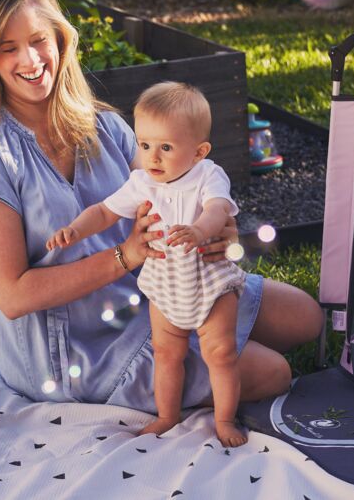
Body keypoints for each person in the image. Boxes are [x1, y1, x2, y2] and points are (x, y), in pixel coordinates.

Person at [0, 0, 323, 439]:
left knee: (305, 316)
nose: (30, 59)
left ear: (60, 39)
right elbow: (13, 296)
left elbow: (168, 191)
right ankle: (191, 355)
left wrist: (214, 229)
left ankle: (203, 338)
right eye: (8, 48)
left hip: (150, 294)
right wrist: (125, 256)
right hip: (67, 348)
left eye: (38, 40)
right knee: (273, 372)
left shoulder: (100, 126)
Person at [46, 81, 249, 445]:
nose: (152, 157)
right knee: (166, 352)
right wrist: (75, 230)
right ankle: (167, 416)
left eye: (166, 147)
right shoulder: (142, 182)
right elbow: (104, 211)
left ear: (199, 151)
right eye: (145, 145)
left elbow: (218, 209)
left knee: (220, 353)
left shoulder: (208, 175)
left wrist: (200, 231)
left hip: (210, 281)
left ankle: (224, 420)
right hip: (165, 283)